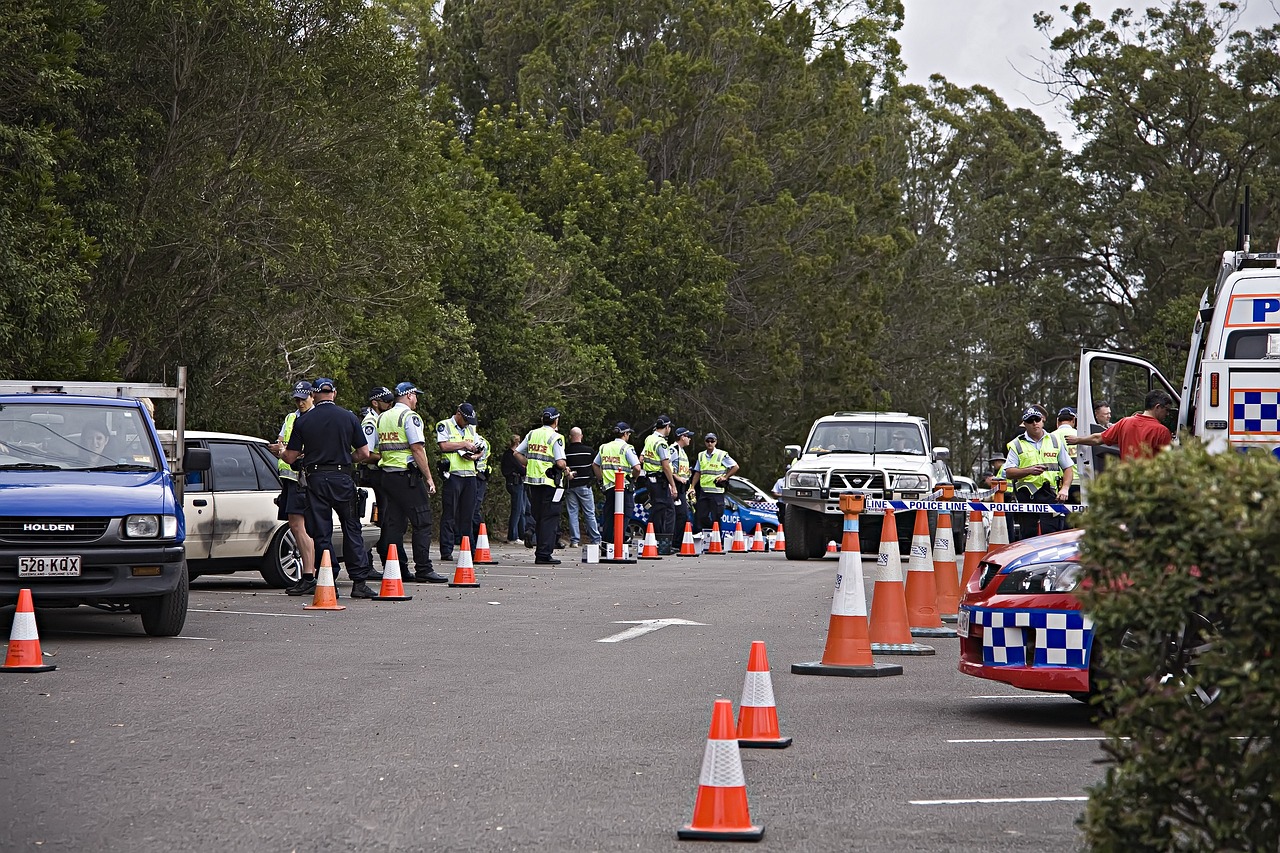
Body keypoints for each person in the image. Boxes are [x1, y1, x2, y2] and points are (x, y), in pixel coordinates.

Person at [281, 378, 379, 599]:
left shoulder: (304, 421)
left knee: (321, 532)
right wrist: (346, 459)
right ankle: (359, 582)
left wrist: (281, 452)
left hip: (316, 479)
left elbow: (290, 457)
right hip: (343, 478)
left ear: (314, 395)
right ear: (334, 393)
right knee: (351, 529)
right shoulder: (349, 417)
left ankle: (328, 580)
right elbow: (364, 454)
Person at [372, 382, 443, 583]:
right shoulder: (409, 417)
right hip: (406, 476)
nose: (417, 400)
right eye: (415, 396)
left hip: (387, 476)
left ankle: (395, 568)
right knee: (423, 521)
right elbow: (417, 449)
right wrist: (428, 477)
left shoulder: (383, 417)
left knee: (395, 524)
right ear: (409, 396)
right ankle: (424, 569)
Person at [269, 380, 317, 596]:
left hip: (303, 478)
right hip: (290, 478)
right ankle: (308, 575)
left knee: (301, 527)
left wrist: (285, 451)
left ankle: (309, 575)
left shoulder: (315, 418)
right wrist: (280, 450)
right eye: (297, 399)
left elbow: (309, 450)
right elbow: (281, 442)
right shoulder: (291, 418)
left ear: (313, 396)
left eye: (303, 398)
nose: (300, 403)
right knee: (296, 526)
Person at [1002, 407, 1074, 542]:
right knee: (1028, 534)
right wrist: (1029, 470)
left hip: (1051, 494)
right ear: (1025, 424)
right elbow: (1009, 472)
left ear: (1043, 421)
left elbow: (1068, 467)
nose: (1035, 423)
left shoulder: (1055, 440)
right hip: (1026, 495)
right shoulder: (1016, 444)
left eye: (1037, 419)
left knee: (1052, 534)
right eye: (1030, 421)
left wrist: (1065, 488)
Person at [515, 407, 568, 565]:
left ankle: (540, 550)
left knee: (538, 516)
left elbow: (516, 453)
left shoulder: (532, 434)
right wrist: (565, 467)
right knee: (549, 518)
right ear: (556, 421)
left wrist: (529, 463)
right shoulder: (556, 437)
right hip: (549, 482)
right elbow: (560, 462)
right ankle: (544, 554)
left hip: (532, 482)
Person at [1069, 390, 1174, 461]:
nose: (1168, 414)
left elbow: (1098, 439)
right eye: (1167, 410)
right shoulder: (1162, 431)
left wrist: (1078, 440)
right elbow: (1169, 461)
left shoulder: (1125, 422)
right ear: (1158, 407)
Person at [436, 402, 481, 561]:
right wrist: (463, 444)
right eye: (466, 419)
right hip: (453, 475)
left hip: (469, 475)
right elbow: (443, 445)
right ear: (459, 414)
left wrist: (476, 455)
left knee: (468, 515)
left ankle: (468, 548)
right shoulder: (445, 425)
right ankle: (446, 550)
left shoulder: (471, 428)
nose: (468, 423)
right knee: (449, 514)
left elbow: (477, 447)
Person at [358, 386, 395, 574]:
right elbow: (365, 454)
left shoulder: (381, 419)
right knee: (372, 521)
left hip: (380, 476)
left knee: (384, 521)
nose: (390, 405)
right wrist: (387, 457)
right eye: (387, 402)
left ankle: (377, 562)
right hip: (371, 477)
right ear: (375, 402)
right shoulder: (371, 422)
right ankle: (367, 564)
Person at [594, 422, 643, 546]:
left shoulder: (604, 447)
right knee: (624, 515)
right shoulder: (626, 448)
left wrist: (601, 480)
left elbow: (595, 465)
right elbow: (637, 467)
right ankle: (618, 546)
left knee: (609, 517)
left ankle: (606, 545)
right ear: (625, 434)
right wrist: (634, 479)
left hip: (609, 488)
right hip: (623, 488)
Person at [641, 416, 678, 554]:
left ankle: (651, 540)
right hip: (659, 480)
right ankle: (664, 544)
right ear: (667, 427)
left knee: (657, 510)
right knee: (669, 511)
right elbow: (666, 466)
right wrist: (673, 485)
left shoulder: (649, 438)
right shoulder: (661, 443)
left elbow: (642, 457)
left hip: (650, 479)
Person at [692, 433, 739, 531]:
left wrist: (725, 477)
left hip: (717, 492)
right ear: (705, 442)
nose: (710, 443)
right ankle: (707, 534)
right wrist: (692, 487)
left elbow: (735, 467)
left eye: (712, 441)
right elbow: (698, 472)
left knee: (716, 518)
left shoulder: (721, 455)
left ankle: (717, 541)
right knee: (701, 516)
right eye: (708, 441)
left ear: (716, 442)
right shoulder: (701, 455)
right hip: (704, 492)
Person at [563, 427, 601, 548]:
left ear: (570, 437)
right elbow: (595, 465)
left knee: (572, 513)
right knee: (589, 513)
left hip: (570, 486)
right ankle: (595, 539)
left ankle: (574, 540)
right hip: (585, 486)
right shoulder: (589, 451)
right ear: (582, 436)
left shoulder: (566, 452)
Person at [500, 434, 527, 543]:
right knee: (517, 509)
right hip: (515, 483)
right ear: (517, 443)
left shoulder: (506, 455)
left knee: (520, 509)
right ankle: (512, 536)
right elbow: (521, 469)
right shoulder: (513, 456)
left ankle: (521, 534)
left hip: (512, 482)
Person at [669, 427, 695, 536]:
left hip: (683, 488)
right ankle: (675, 542)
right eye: (688, 436)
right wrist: (676, 478)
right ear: (682, 437)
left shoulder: (682, 451)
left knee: (683, 515)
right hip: (676, 486)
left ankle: (678, 542)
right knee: (681, 515)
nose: (690, 439)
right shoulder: (674, 449)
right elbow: (666, 465)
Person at [1052, 407, 1080, 502]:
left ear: (1058, 421)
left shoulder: (1050, 437)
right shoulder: (1081, 436)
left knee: (1061, 515)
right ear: (1073, 420)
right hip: (1079, 482)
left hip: (1059, 484)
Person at [469, 432, 491, 543]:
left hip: (478, 477)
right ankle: (476, 538)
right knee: (472, 510)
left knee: (474, 510)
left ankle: (479, 538)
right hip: (476, 477)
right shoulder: (479, 439)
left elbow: (475, 456)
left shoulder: (478, 441)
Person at [1089, 400, 1120, 474]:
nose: (1109, 416)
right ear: (1096, 414)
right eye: (1106, 414)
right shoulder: (1088, 429)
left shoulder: (1113, 428)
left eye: (1109, 413)